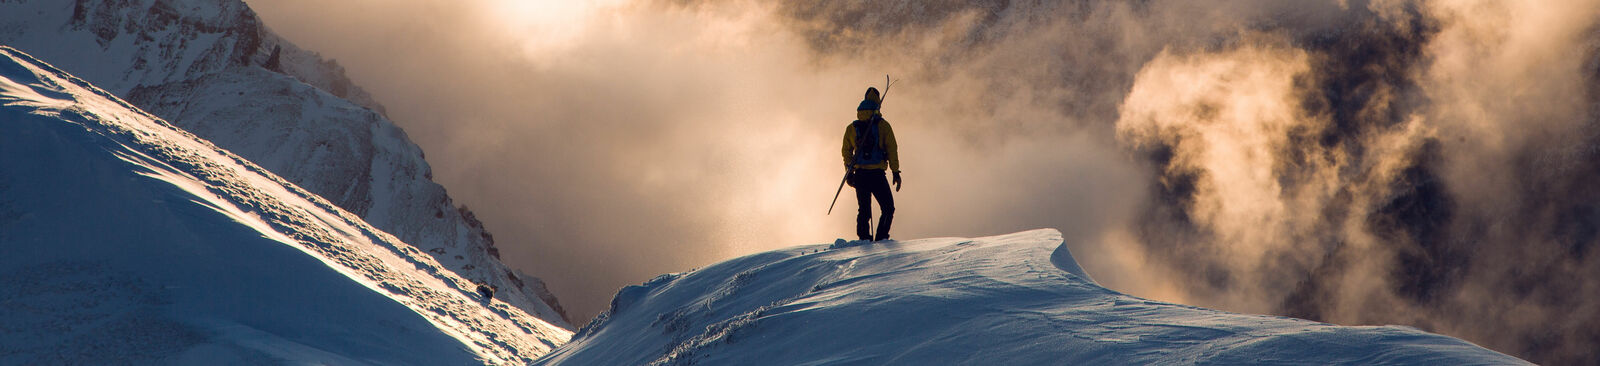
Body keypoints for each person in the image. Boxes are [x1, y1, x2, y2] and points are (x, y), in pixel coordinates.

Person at [842, 87, 901, 241]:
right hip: (877, 174)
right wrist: (896, 172)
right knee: (888, 207)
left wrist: (849, 171)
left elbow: (846, 150)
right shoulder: (883, 125)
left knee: (864, 210)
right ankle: (881, 238)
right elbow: (892, 149)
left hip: (860, 174)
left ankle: (863, 239)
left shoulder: (852, 127)